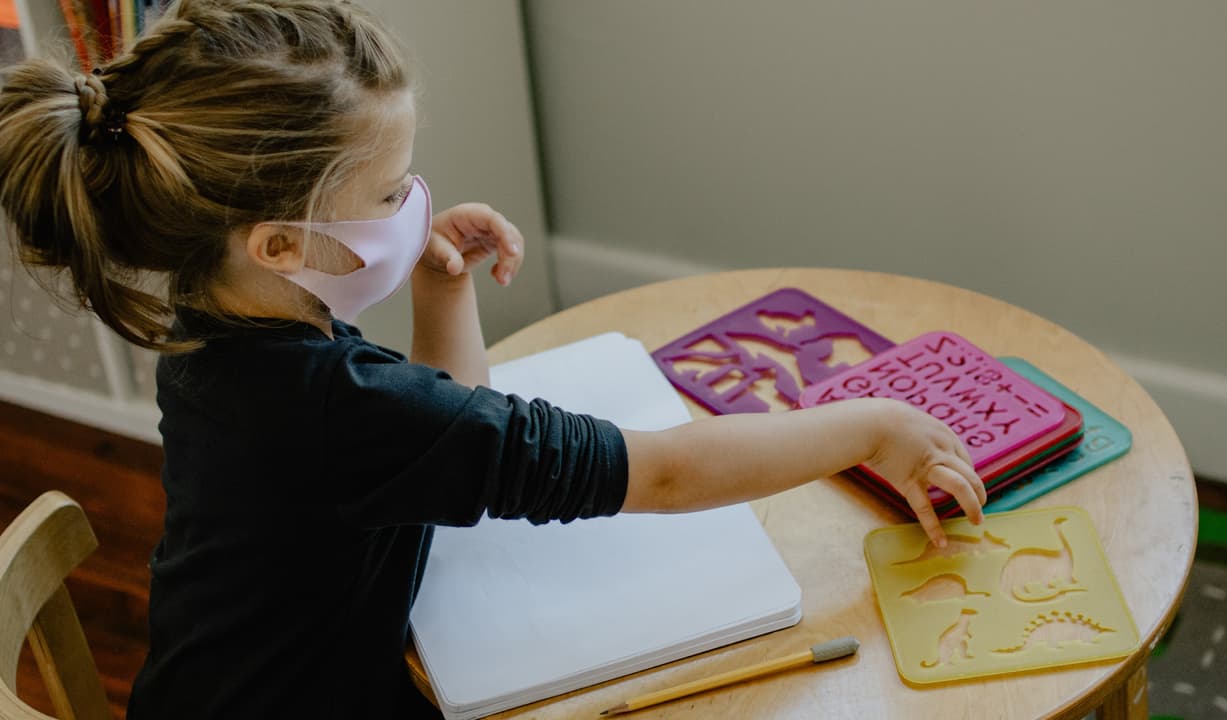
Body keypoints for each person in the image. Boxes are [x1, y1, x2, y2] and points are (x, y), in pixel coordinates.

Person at [0, 1, 985, 717]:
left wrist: (440, 287)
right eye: (389, 196)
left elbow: (442, 436)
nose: (415, 205)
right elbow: (670, 472)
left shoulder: (216, 329)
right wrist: (871, 425)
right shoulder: (337, 406)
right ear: (279, 246)